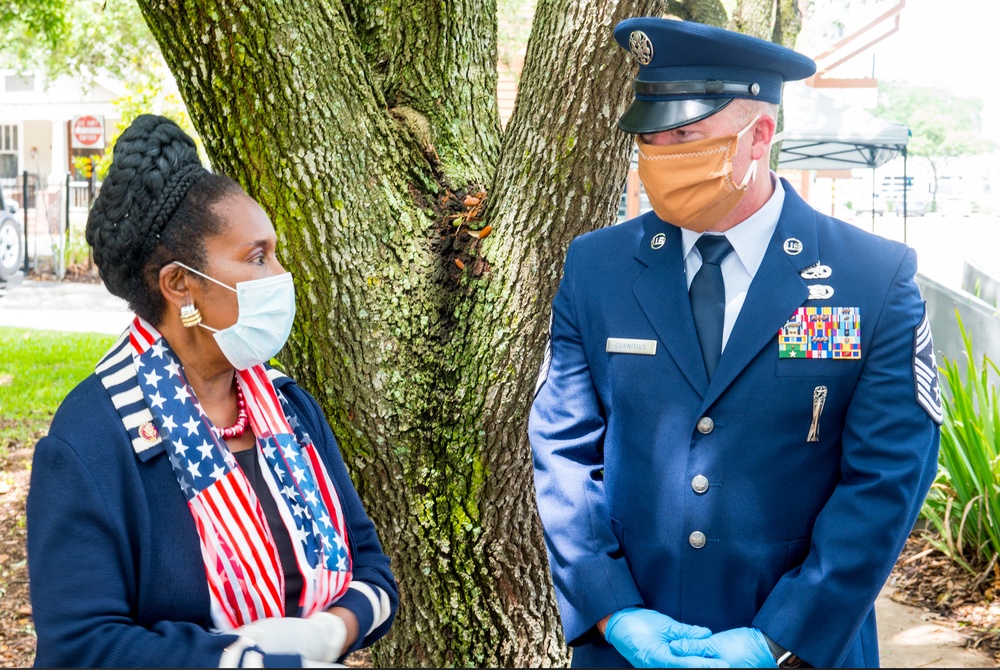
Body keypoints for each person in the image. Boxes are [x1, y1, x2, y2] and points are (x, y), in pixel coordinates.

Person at [529, 18, 941, 669]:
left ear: (760, 136)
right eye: (649, 135)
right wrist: (612, 610)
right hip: (629, 648)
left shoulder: (871, 277)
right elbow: (563, 447)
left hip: (801, 648)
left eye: (685, 134)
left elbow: (889, 474)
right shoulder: (598, 267)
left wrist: (781, 637)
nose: (660, 153)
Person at [27, 115, 397, 668]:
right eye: (256, 256)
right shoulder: (91, 440)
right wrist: (249, 661)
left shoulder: (289, 410)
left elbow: (371, 568)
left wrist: (330, 632)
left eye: (275, 253)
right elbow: (81, 645)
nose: (280, 274)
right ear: (180, 285)